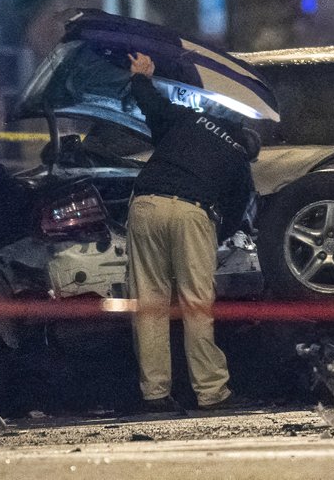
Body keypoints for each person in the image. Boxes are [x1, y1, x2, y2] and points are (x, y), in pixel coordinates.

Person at [124, 51, 259, 412]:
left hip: (145, 204)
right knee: (196, 306)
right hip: (193, 213)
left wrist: (141, 75)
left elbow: (152, 106)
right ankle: (212, 392)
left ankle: (155, 394)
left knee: (149, 304)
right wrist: (211, 240)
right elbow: (234, 218)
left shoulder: (190, 121)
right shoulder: (239, 163)